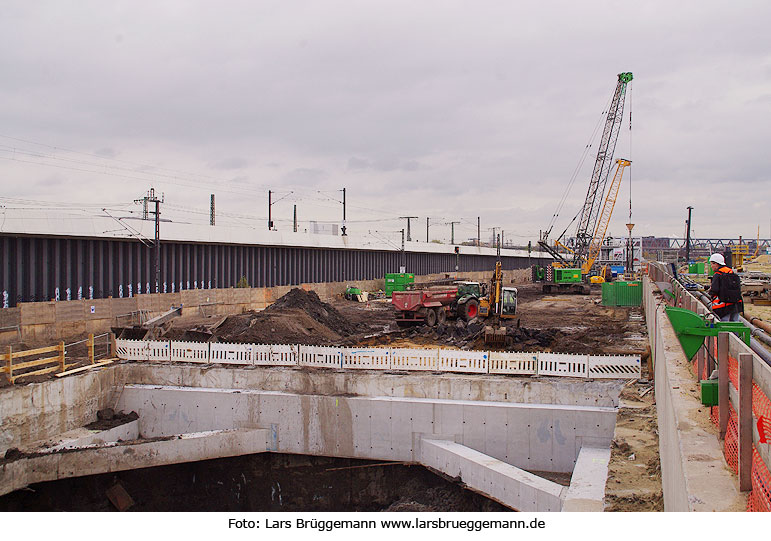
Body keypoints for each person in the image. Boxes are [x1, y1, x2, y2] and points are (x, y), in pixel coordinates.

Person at [706, 253, 742, 322]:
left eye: (712, 264)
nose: (711, 266)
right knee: (735, 326)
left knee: (724, 326)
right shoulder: (730, 272)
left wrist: (710, 292)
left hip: (723, 307)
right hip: (736, 305)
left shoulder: (718, 274)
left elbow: (714, 290)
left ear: (716, 264)